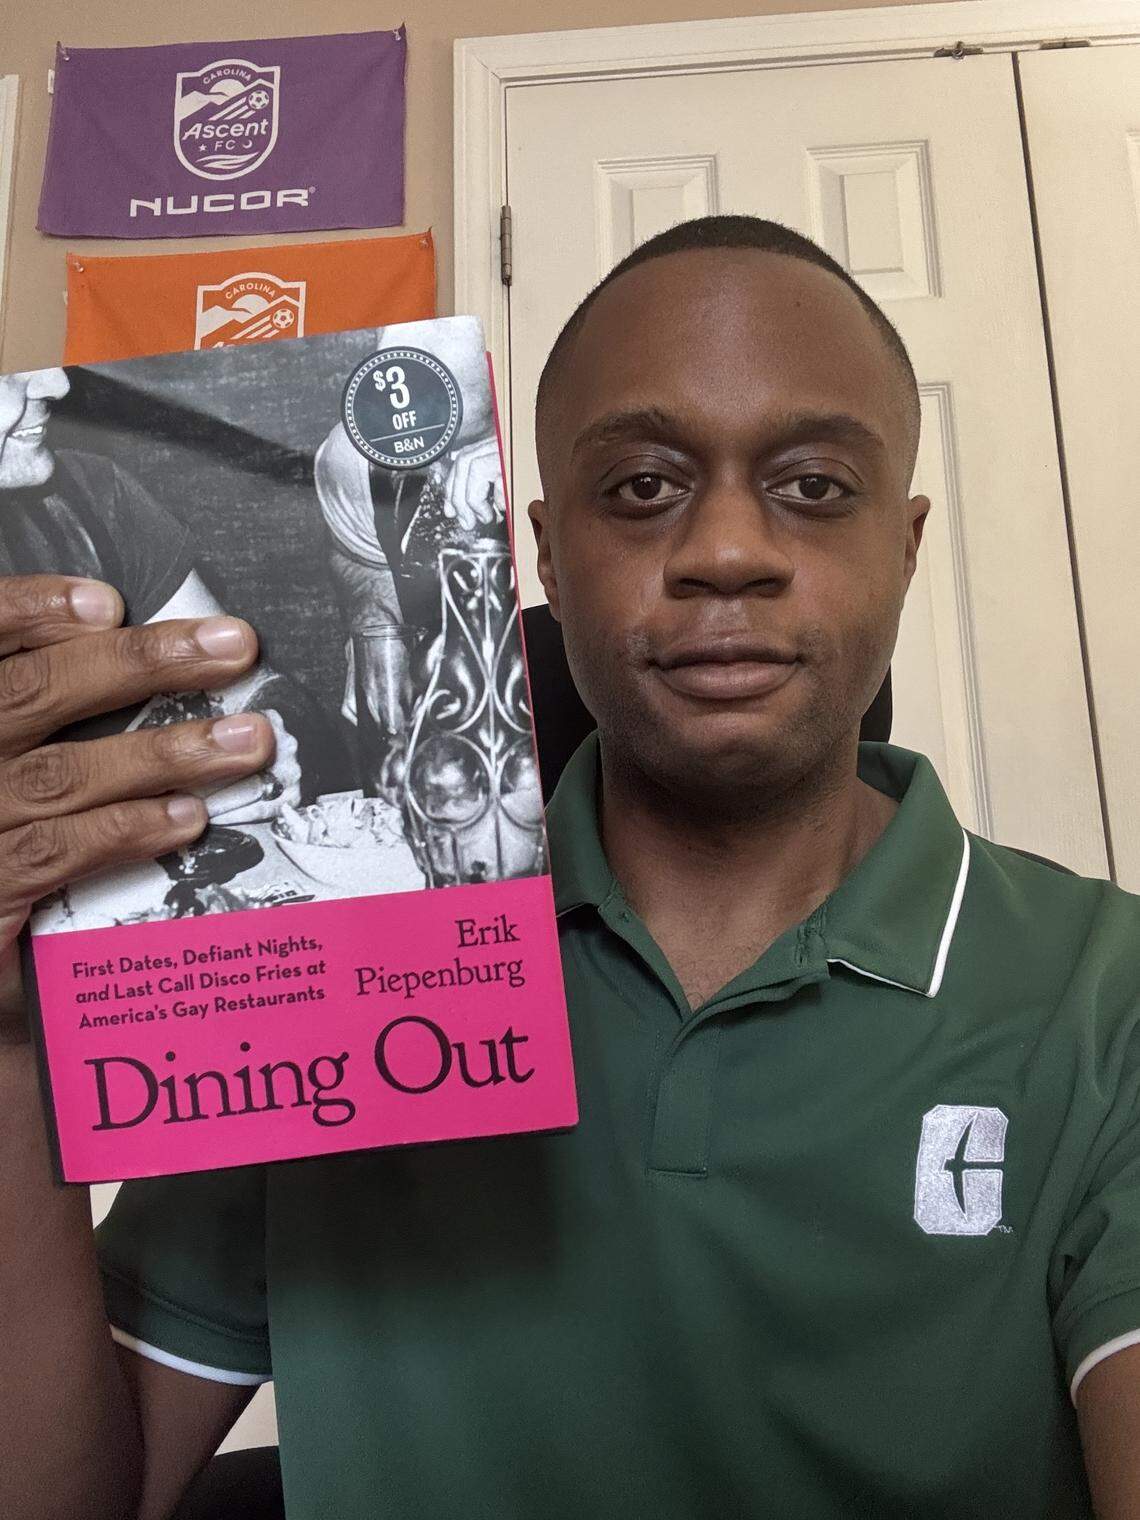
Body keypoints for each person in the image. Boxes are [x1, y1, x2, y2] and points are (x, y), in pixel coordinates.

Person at [3, 215, 1140, 1520]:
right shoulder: (321, 948)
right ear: (538, 552)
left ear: (908, 540)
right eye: (644, 487)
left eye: (816, 486)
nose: (725, 550)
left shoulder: (1110, 994)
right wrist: (9, 1023)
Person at [0, 365, 306, 825]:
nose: (58, 384)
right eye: (7, 371)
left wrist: (261, 746)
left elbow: (249, 690)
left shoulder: (95, 493)